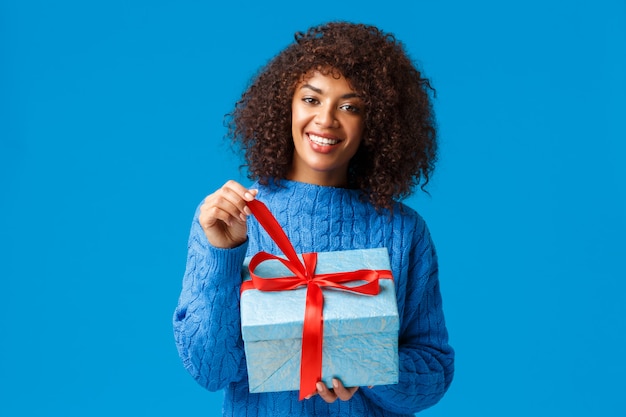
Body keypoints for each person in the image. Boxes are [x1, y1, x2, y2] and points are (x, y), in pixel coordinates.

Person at [173, 21, 454, 417]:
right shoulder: (230, 218)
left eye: (350, 106)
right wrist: (222, 253)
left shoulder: (404, 231)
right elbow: (210, 369)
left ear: (375, 124)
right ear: (284, 105)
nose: (326, 120)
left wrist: (371, 370)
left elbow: (433, 372)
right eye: (311, 99)